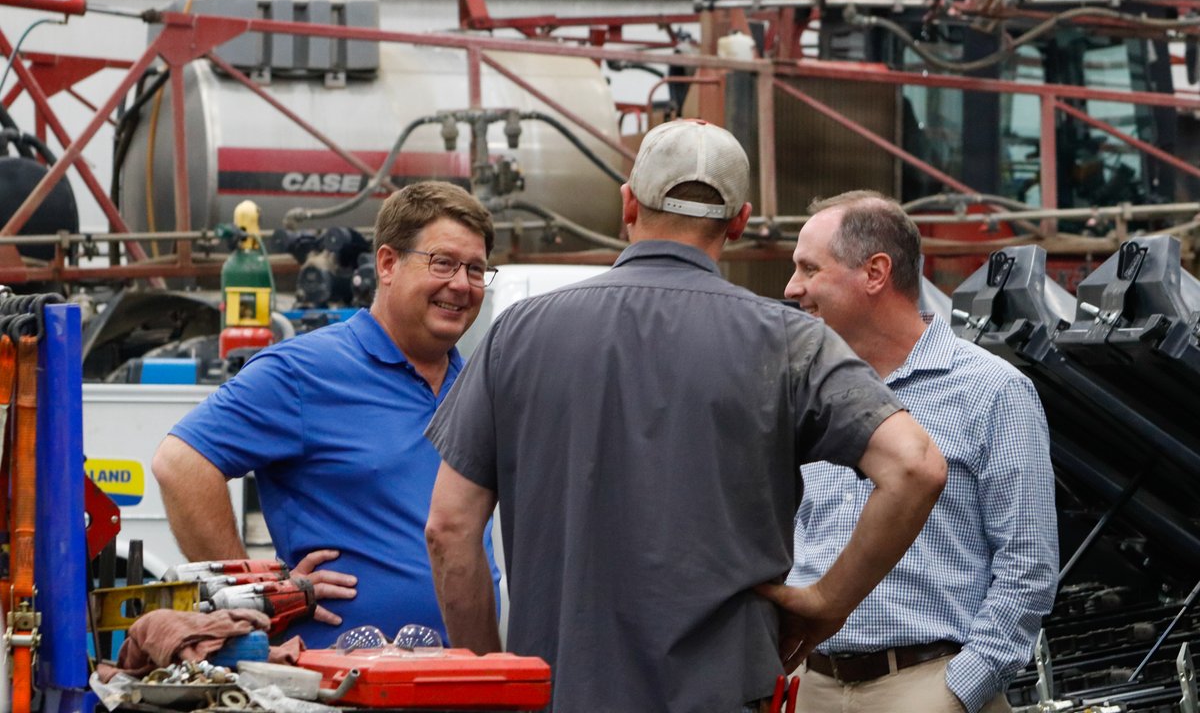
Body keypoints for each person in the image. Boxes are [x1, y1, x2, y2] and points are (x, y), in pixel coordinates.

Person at [422, 119, 947, 713]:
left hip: (560, 694)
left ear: (628, 203)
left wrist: (496, 686)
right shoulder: (790, 342)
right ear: (740, 221)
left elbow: (449, 529)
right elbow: (915, 466)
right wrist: (828, 602)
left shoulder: (517, 333)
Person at [152, 181, 501, 648]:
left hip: (463, 679)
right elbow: (181, 464)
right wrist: (251, 596)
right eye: (443, 263)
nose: (461, 284)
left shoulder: (476, 385)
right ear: (388, 264)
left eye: (476, 270)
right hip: (343, 684)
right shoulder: (305, 371)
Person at [782, 190, 1058, 713]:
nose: (792, 288)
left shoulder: (992, 391)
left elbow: (1028, 566)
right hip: (809, 686)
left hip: (926, 685)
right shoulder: (803, 391)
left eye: (808, 268)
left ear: (875, 272)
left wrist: (958, 691)